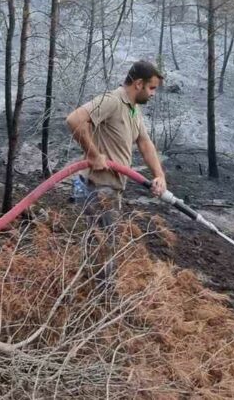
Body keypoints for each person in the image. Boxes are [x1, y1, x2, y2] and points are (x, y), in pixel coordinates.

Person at [65, 60, 169, 282]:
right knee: (103, 247)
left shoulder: (133, 109)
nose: (152, 94)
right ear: (138, 84)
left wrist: (159, 175)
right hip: (97, 186)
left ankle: (89, 291)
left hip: (109, 187)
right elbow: (74, 120)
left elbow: (144, 142)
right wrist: (93, 154)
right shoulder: (113, 100)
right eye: (151, 88)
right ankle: (101, 300)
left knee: (99, 243)